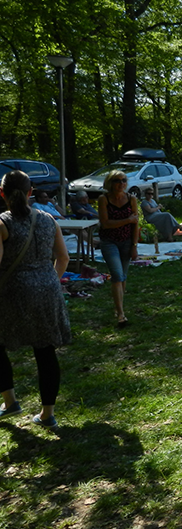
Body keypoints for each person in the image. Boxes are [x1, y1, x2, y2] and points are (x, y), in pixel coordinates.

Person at [0, 170, 71, 429]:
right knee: (45, 352)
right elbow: (63, 258)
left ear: (2, 194)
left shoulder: (2, 223)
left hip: (11, 293)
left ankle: (10, 401)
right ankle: (47, 414)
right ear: (31, 193)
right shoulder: (48, 219)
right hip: (47, 291)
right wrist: (48, 280)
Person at [98, 170, 139, 327]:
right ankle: (121, 315)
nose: (121, 183)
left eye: (124, 180)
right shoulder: (104, 199)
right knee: (116, 274)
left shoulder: (131, 199)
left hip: (127, 241)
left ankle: (119, 308)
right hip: (109, 241)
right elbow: (105, 223)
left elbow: (135, 225)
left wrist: (134, 246)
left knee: (123, 276)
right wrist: (127, 220)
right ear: (110, 183)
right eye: (117, 180)